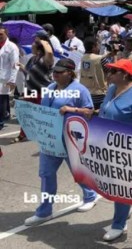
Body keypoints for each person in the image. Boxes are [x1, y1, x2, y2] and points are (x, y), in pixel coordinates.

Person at [24, 58, 98, 226]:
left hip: (70, 139)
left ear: (70, 73)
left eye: (59, 72)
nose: (55, 74)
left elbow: (90, 111)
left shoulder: (80, 90)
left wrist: (71, 110)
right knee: (46, 174)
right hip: (50, 139)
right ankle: (44, 211)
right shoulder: (50, 88)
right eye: (54, 72)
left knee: (77, 171)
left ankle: (90, 195)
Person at [99, 59, 132, 242]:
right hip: (107, 145)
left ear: (125, 74)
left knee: (120, 185)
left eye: (113, 71)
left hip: (127, 148)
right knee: (114, 183)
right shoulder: (112, 89)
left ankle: (119, 225)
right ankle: (128, 203)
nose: (109, 73)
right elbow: (106, 112)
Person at [80, 37, 107, 110]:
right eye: (98, 45)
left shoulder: (83, 58)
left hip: (85, 92)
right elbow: (111, 70)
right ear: (93, 46)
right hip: (98, 94)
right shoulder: (100, 58)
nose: (99, 47)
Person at [0, 27, 19, 130]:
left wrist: (12, 81)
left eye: (1, 34)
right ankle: (4, 116)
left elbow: (15, 65)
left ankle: (2, 120)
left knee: (2, 100)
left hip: (5, 79)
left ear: (6, 34)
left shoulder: (12, 47)